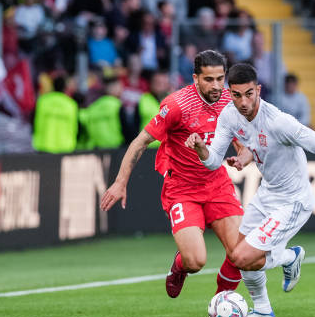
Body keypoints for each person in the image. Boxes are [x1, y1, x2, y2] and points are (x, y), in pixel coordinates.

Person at [186, 63, 315, 317]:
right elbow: (213, 161)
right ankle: (263, 311)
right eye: (237, 95)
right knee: (239, 255)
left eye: (249, 94)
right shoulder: (229, 116)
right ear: (229, 93)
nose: (243, 102)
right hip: (267, 194)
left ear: (258, 90)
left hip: (293, 201)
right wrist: (201, 147)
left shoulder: (279, 122)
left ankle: (290, 256)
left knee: (241, 256)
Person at [100, 50, 245, 299]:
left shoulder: (230, 101)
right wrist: (120, 182)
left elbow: (241, 139)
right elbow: (140, 142)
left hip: (217, 184)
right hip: (182, 189)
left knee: (243, 253)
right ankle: (179, 267)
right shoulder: (177, 105)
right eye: (209, 79)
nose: (216, 85)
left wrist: (242, 155)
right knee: (196, 261)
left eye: (220, 79)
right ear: (195, 78)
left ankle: (222, 302)